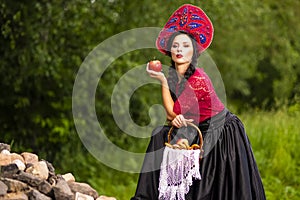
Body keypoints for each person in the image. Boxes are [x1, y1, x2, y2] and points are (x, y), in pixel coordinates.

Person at [131, 4, 266, 200]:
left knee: (211, 187)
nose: (179, 50)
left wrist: (161, 82)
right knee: (159, 136)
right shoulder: (176, 76)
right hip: (196, 126)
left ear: (193, 51)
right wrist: (163, 80)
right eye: (175, 45)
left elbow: (172, 114)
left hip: (219, 131)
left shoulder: (197, 80)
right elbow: (174, 117)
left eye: (185, 46)